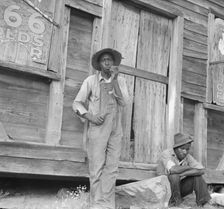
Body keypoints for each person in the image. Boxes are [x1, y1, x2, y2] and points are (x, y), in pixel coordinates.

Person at [73, 48, 129, 209]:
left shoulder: (121, 80)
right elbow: (76, 103)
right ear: (98, 64)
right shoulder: (90, 81)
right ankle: (96, 204)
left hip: (115, 129)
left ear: (113, 63)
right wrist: (90, 116)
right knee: (96, 167)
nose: (107, 62)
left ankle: (108, 204)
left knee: (112, 168)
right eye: (104, 60)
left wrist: (116, 80)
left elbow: (124, 103)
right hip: (98, 128)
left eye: (110, 60)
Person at [157, 133, 213, 208]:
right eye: (182, 148)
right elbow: (173, 169)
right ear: (175, 148)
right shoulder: (166, 154)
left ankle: (204, 202)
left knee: (197, 176)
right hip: (162, 190)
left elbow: (201, 170)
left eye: (187, 149)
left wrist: (182, 174)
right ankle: (175, 203)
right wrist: (188, 167)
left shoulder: (187, 157)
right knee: (174, 176)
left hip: (176, 189)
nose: (185, 152)